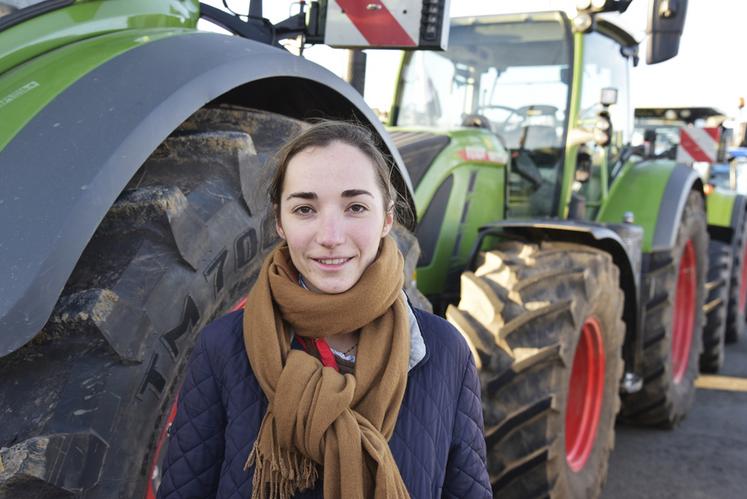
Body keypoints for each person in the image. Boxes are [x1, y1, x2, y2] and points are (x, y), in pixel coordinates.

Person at [157, 121, 491, 499]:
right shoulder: (223, 349)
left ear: (387, 218)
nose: (330, 237)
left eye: (355, 207)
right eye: (304, 208)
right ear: (280, 222)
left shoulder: (444, 352)